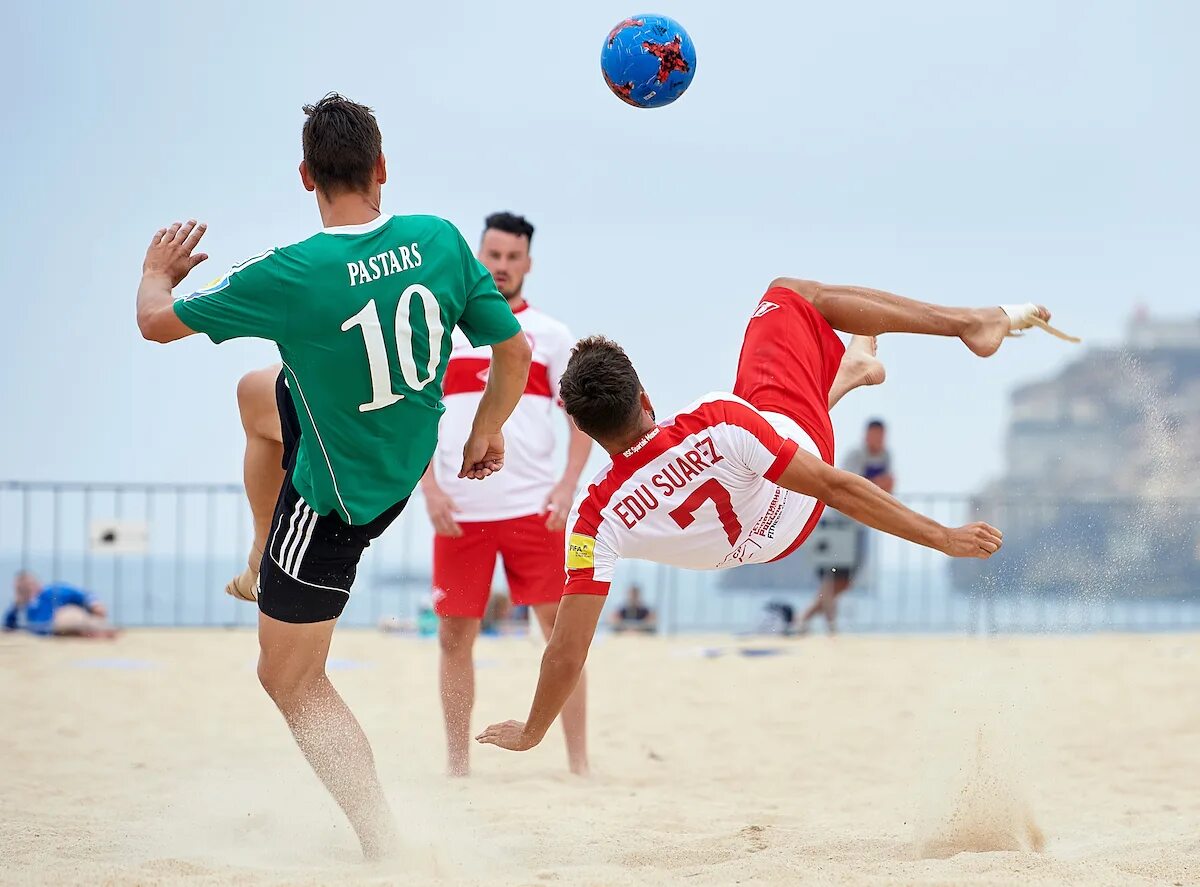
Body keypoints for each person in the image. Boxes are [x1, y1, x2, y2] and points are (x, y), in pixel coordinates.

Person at [135, 93, 532, 858]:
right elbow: (511, 353)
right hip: (405, 450)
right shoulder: (441, 239)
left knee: (289, 679)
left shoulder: (290, 272)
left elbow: (156, 322)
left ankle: (382, 840)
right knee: (257, 393)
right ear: (382, 168)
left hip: (338, 503)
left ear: (305, 176)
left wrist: (158, 272)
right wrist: (486, 433)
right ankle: (260, 549)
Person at [476, 278, 1075, 754]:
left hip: (765, 541)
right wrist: (941, 536)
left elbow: (566, 651)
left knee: (761, 416)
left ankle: (847, 374)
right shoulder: (716, 419)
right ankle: (969, 323)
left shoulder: (592, 519)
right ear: (645, 400)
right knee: (788, 295)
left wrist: (532, 731)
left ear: (579, 427)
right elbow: (838, 487)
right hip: (800, 485)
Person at [420, 212, 592, 777]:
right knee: (453, 638)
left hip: (534, 509)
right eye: (492, 255)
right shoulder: (440, 330)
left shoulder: (552, 336)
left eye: (512, 257)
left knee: (560, 634)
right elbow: (415, 415)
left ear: (528, 264)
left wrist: (568, 486)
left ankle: (578, 764)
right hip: (460, 511)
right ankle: (455, 766)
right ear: (479, 256)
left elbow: (581, 421)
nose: (501, 266)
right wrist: (430, 490)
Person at [799, 418, 895, 634]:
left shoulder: (885, 456)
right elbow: (851, 487)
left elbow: (883, 490)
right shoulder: (856, 455)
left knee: (847, 580)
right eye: (875, 435)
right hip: (839, 523)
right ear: (867, 435)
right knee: (831, 576)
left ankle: (805, 616)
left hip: (860, 525)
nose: (878, 440)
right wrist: (881, 485)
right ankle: (827, 625)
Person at [3, 571, 115, 638]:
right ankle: (96, 631)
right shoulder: (28, 605)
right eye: (21, 589)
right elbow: (8, 626)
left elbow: (81, 594)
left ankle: (98, 630)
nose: (26, 590)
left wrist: (94, 603)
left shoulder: (52, 591)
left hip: (67, 619)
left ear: (36, 584)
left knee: (67, 617)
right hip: (54, 629)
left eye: (28, 586)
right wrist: (16, 605)